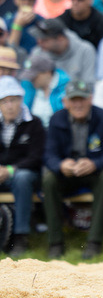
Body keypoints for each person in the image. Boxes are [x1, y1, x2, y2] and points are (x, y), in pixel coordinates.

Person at [41, 79, 103, 259]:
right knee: (48, 179)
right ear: (65, 102)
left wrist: (94, 164)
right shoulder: (56, 119)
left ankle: (94, 242)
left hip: (93, 173)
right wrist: (61, 165)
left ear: (90, 99)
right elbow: (48, 155)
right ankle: (55, 243)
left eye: (82, 99)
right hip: (66, 173)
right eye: (73, 100)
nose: (78, 104)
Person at [0, 76, 45, 257]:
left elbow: (37, 156)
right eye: (4, 101)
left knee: (22, 178)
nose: (9, 105)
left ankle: (20, 236)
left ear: (21, 100)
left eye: (13, 100)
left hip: (25, 175)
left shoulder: (34, 123)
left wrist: (10, 169)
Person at [28, 17, 96, 83]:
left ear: (60, 38)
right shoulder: (38, 52)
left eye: (44, 40)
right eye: (38, 39)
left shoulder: (85, 50)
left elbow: (89, 84)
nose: (39, 43)